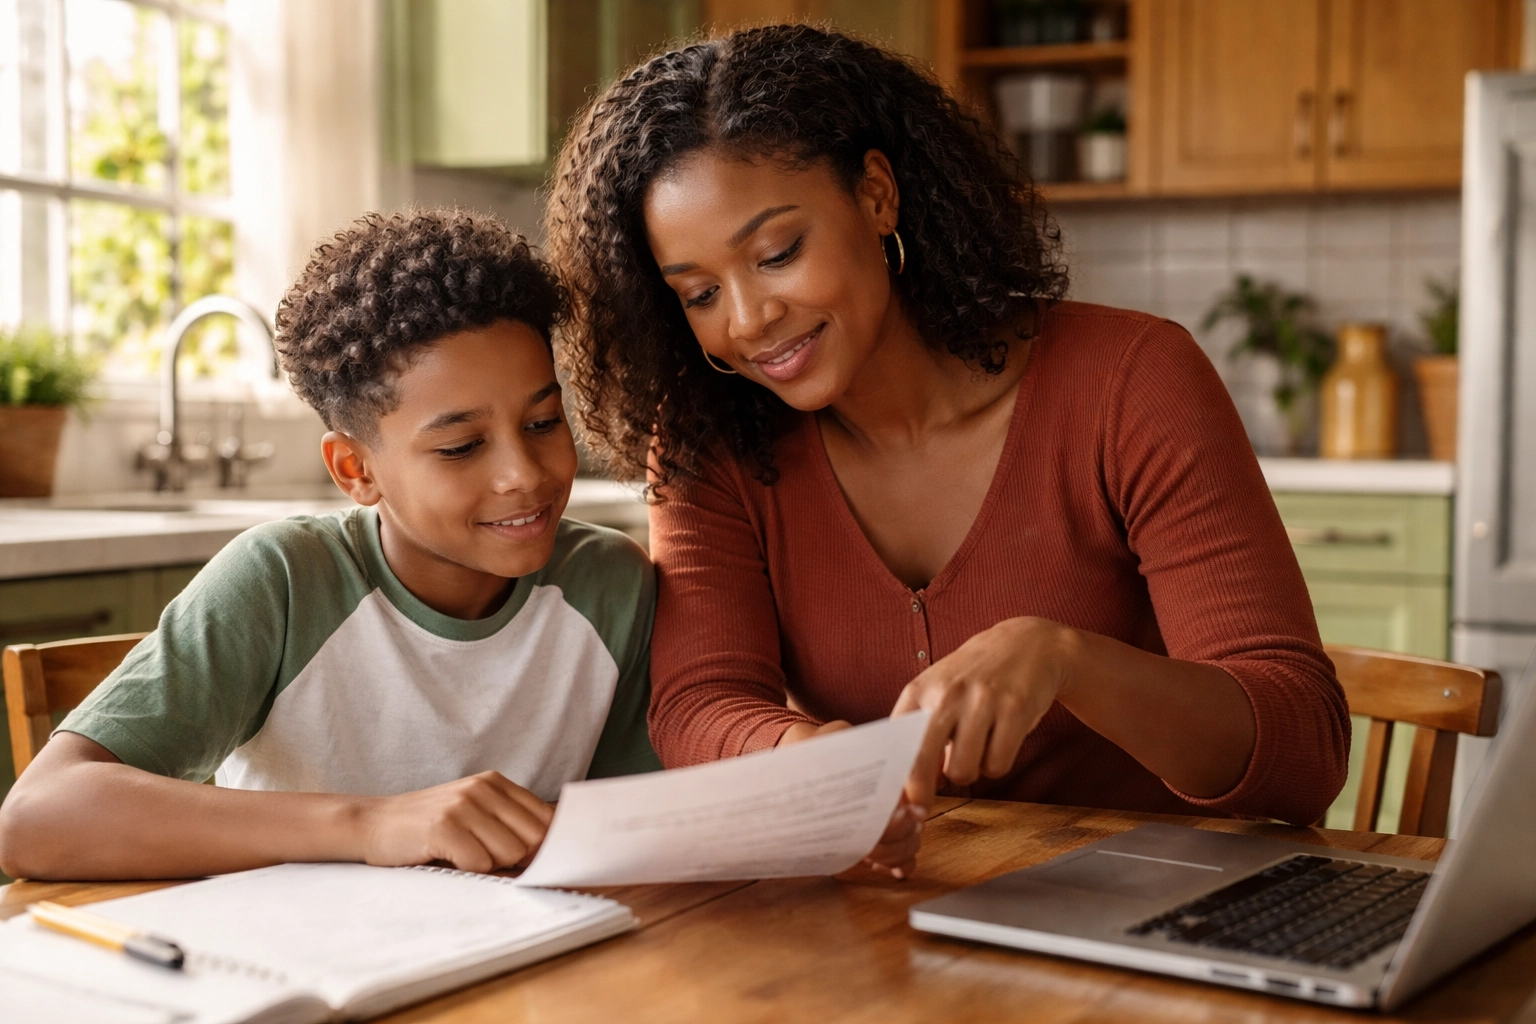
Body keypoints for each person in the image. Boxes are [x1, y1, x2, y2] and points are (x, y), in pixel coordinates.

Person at [545, 25, 1349, 879]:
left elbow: (1303, 753)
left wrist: (1067, 659)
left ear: (877, 195)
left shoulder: (1132, 382)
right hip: (899, 917)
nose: (746, 321)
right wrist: (812, 766)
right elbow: (700, 705)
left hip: (1163, 913)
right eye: (699, 293)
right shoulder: (712, 440)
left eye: (778, 253)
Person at [0, 209, 659, 881]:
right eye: (461, 446)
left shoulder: (613, 586)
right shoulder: (283, 582)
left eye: (544, 422)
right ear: (356, 470)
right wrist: (373, 823)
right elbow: (36, 818)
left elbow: (638, 835)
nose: (524, 474)